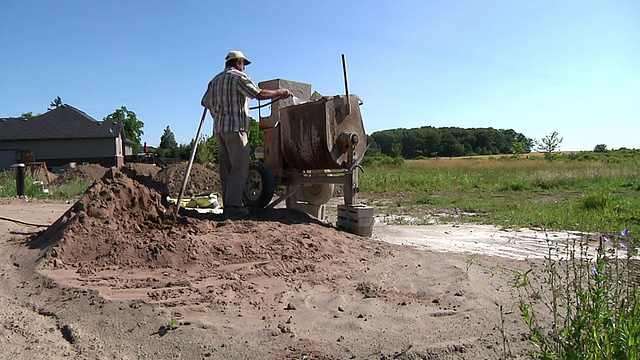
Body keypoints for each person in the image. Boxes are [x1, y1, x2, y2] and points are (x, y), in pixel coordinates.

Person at [201, 50, 291, 217]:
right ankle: (234, 206)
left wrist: (218, 111)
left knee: (226, 169)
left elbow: (204, 102)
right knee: (240, 168)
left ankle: (229, 205)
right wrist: (280, 92)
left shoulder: (215, 80)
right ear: (238, 62)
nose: (244, 67)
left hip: (220, 130)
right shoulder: (238, 77)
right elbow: (258, 93)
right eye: (243, 64)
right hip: (236, 128)